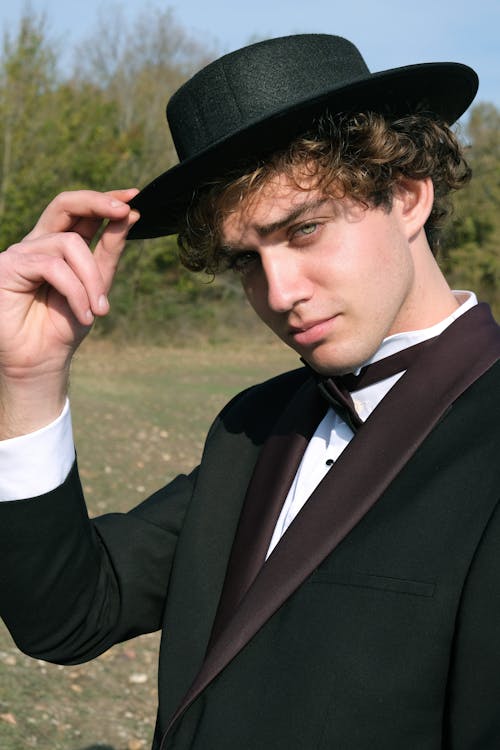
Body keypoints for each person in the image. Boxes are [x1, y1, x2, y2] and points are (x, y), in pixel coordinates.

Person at [0, 33, 499, 750]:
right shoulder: (254, 424)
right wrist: (28, 378)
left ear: (409, 194)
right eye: (245, 260)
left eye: (305, 230)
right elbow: (68, 615)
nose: (279, 293)